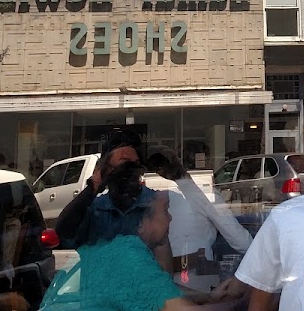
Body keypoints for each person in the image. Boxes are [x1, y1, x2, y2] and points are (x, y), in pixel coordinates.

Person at [42, 161, 193, 311]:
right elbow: (174, 304)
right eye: (166, 210)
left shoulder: (120, 251)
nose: (171, 218)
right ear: (141, 223)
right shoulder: (133, 260)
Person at [145, 146, 253, 274]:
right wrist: (264, 256)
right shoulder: (205, 194)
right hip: (196, 274)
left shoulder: (154, 197)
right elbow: (239, 239)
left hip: (160, 273)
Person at [54, 128, 144, 248]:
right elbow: (64, 231)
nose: (130, 171)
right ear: (106, 169)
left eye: (135, 164)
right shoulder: (96, 209)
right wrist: (93, 186)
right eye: (124, 164)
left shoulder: (156, 204)